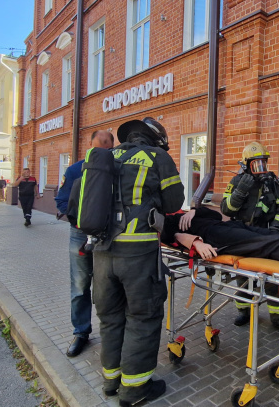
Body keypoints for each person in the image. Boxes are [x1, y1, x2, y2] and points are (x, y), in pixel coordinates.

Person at [91, 117, 184, 406]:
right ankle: (134, 389)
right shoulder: (157, 156)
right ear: (156, 139)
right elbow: (173, 204)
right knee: (142, 317)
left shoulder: (107, 155)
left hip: (102, 252)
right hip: (139, 253)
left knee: (111, 316)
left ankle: (111, 381)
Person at [54, 130, 115, 358]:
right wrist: (82, 221)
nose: (103, 152)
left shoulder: (115, 169)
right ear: (90, 146)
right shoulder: (74, 170)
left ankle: (110, 332)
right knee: (80, 287)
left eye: (107, 149)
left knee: (107, 286)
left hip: (108, 236)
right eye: (99, 147)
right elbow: (61, 201)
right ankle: (81, 333)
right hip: (79, 235)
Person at [221, 142, 279, 328]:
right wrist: (241, 191)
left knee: (273, 280)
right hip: (242, 236)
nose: (261, 169)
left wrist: (276, 229)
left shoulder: (274, 184)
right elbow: (226, 209)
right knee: (243, 278)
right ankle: (244, 312)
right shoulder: (237, 182)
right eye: (256, 164)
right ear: (246, 165)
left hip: (266, 236)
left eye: (263, 163)